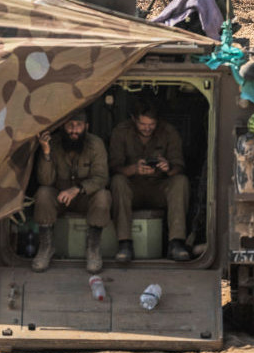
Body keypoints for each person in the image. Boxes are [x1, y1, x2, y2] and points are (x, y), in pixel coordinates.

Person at [109, 100, 191, 262]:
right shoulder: (121, 132)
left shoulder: (168, 132)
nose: (147, 128)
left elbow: (179, 167)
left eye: (151, 124)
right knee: (118, 181)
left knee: (180, 181)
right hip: (132, 188)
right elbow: (113, 168)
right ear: (133, 119)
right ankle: (124, 243)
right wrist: (134, 169)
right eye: (142, 124)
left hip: (159, 188)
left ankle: (176, 242)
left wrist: (167, 167)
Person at [32, 110, 112, 274]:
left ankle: (93, 249)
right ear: (63, 126)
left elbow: (101, 178)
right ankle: (46, 247)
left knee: (103, 196)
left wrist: (77, 189)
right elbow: (45, 181)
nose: (74, 130)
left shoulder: (96, 144)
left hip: (85, 198)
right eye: (70, 125)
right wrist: (46, 152)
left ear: (86, 127)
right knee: (43, 193)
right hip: (60, 199)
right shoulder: (53, 143)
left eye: (79, 126)